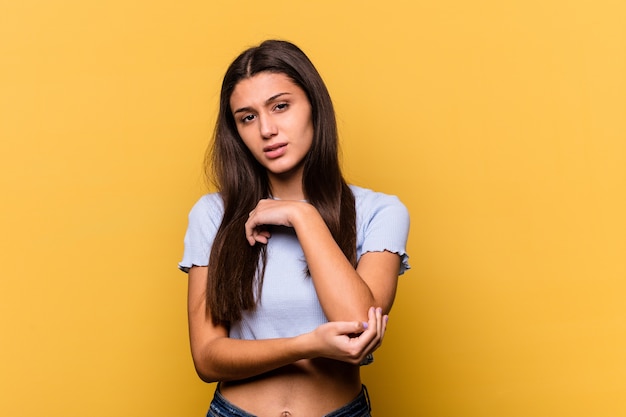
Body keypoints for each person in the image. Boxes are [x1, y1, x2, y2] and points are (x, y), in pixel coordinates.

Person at [179, 40, 410, 417]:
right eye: (247, 117)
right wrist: (306, 345)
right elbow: (207, 358)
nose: (267, 129)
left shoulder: (379, 211)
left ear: (314, 108)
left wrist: (304, 217)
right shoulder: (213, 214)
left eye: (280, 106)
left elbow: (357, 328)